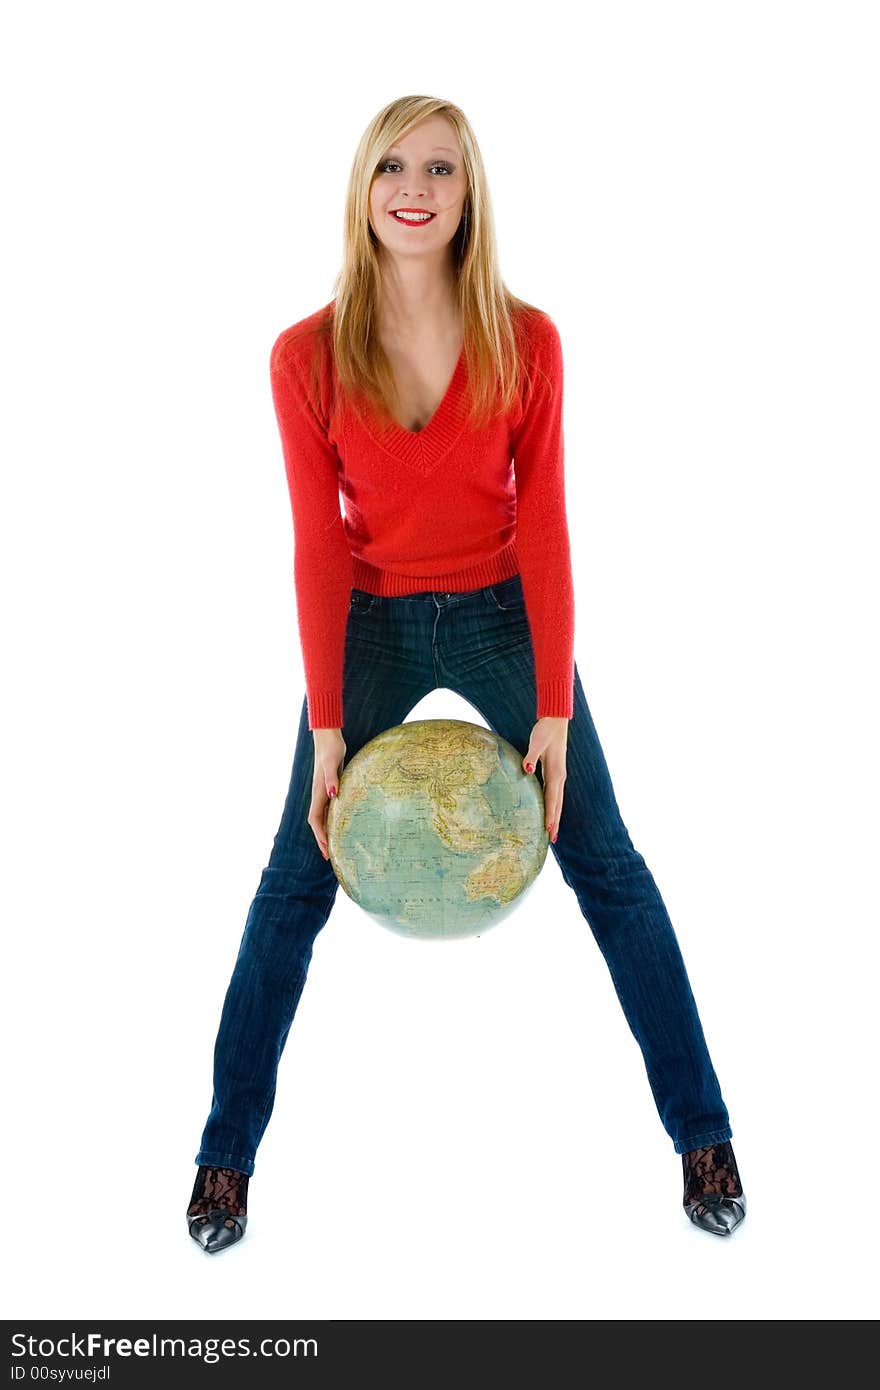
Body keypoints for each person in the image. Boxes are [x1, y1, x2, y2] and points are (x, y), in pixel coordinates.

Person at [187, 95, 746, 1253]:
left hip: (501, 618)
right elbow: (318, 546)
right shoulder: (304, 355)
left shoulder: (526, 339)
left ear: (467, 193)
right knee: (293, 887)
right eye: (392, 165)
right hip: (373, 626)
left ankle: (704, 1136)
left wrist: (549, 702)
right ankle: (221, 1163)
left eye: (440, 168)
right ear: (361, 187)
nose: (415, 187)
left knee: (610, 866)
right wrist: (329, 729)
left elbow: (542, 523)